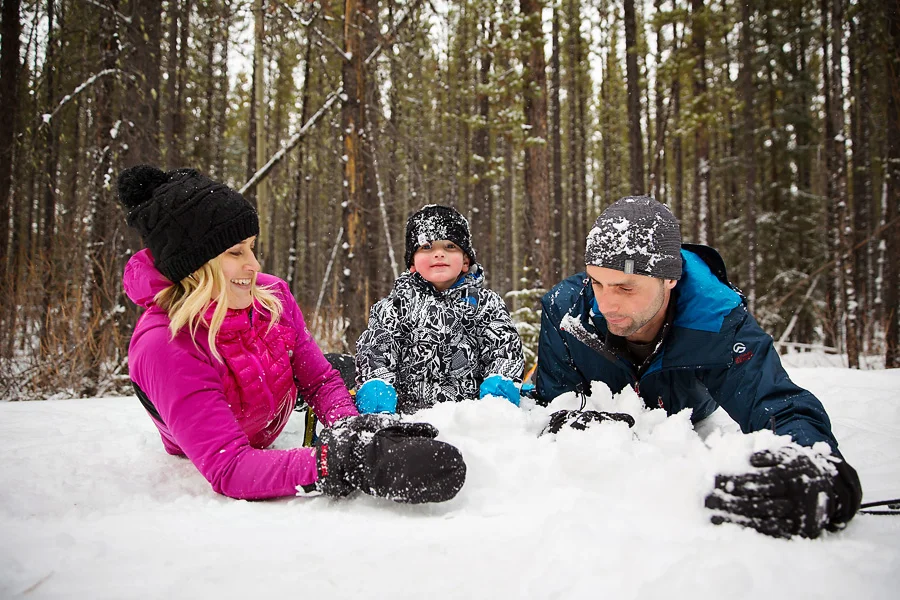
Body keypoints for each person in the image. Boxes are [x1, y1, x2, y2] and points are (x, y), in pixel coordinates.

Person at [119, 165, 466, 503]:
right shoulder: (165, 345)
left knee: (347, 372)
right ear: (193, 265)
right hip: (225, 439)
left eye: (251, 247)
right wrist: (344, 462)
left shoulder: (273, 296)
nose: (253, 265)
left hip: (273, 402)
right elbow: (230, 467)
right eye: (235, 252)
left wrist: (350, 430)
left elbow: (318, 381)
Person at [534, 195, 862, 538]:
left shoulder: (718, 322)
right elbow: (556, 400)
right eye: (597, 283)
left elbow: (777, 403)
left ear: (670, 279)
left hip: (690, 414)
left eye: (626, 287)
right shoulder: (567, 311)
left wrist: (817, 468)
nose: (607, 302)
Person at [355, 204, 525, 414]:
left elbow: (504, 350)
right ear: (413, 263)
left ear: (465, 261)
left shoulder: (486, 304)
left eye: (450, 247)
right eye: (427, 247)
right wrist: (378, 393)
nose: (439, 254)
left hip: (469, 415)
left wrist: (498, 396)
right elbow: (376, 351)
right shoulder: (394, 308)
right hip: (408, 416)